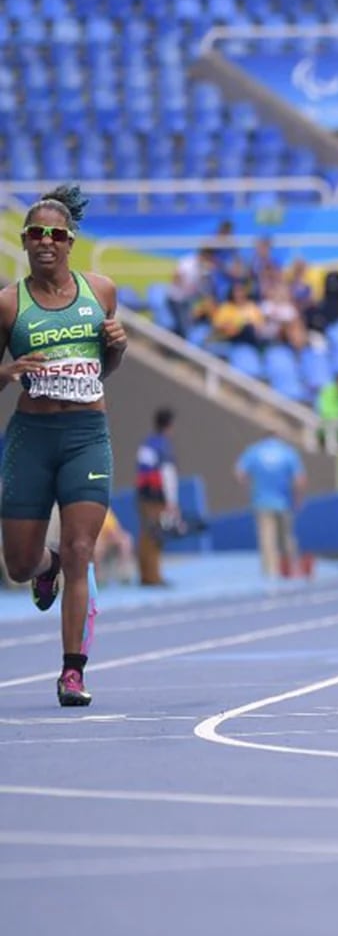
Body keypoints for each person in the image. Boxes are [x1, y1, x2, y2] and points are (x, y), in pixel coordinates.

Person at [0, 186, 128, 707]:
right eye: (35, 234)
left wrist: (117, 349)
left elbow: (105, 369)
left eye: (55, 234)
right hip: (32, 438)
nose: (45, 243)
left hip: (85, 437)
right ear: (25, 242)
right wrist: (7, 372)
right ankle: (44, 566)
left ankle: (72, 672)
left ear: (70, 242)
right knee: (17, 565)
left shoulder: (101, 291)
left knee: (83, 552)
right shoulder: (9, 303)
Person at [236, 433, 306, 579]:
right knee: (286, 538)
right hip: (284, 502)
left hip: (261, 502)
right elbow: (299, 479)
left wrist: (248, 489)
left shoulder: (254, 451)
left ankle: (270, 574)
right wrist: (298, 499)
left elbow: (240, 473)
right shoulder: (287, 452)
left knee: (267, 540)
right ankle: (290, 569)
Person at [134, 407, 179, 587]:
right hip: (157, 496)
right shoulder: (163, 446)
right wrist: (171, 502)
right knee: (155, 535)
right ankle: (154, 576)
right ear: (169, 426)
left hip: (143, 494)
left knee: (145, 534)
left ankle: (145, 574)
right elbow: (167, 475)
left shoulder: (146, 443)